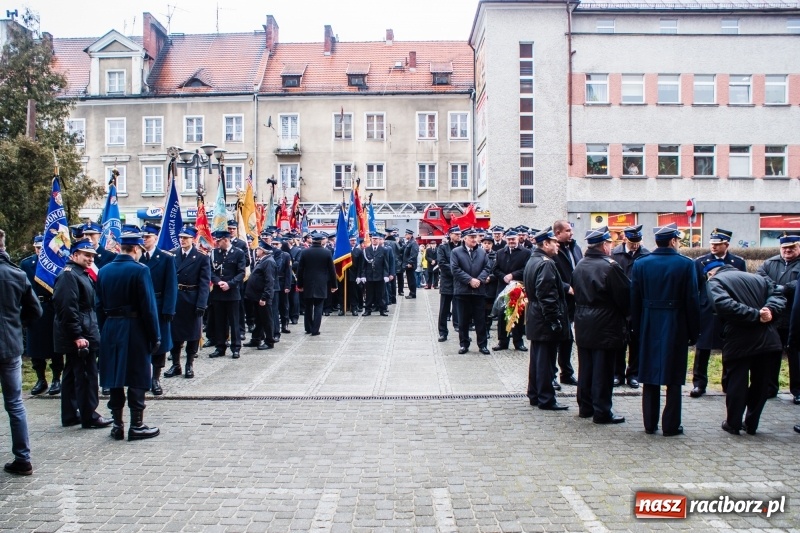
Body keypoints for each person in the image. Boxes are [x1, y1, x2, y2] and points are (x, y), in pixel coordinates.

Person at [630, 223, 700, 436]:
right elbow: (692, 300)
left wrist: (637, 328)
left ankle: (649, 424)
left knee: (650, 374)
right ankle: (671, 425)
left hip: (649, 322)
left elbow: (634, 299)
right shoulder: (686, 264)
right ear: (673, 241)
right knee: (674, 375)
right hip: (676, 322)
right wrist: (693, 331)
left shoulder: (641, 263)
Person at [705, 260, 785, 435]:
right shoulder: (758, 278)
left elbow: (722, 305)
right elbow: (779, 294)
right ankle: (752, 424)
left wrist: (754, 315)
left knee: (736, 382)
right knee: (761, 383)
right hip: (768, 340)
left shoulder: (715, 282)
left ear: (711, 273)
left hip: (738, 340)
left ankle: (733, 423)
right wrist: (769, 310)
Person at [95, 227, 161, 441]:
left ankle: (117, 425)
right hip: (135, 327)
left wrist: (105, 329)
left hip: (111, 327)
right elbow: (148, 307)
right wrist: (155, 336)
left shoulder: (103, 271)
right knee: (137, 375)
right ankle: (136, 425)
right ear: (134, 249)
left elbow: (99, 306)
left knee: (115, 376)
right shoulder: (140, 270)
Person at [571, 226, 630, 424]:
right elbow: (624, 297)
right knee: (603, 370)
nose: (611, 247)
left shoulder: (580, 264)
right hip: (605, 323)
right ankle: (602, 411)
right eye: (610, 243)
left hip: (583, 321)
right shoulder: (610, 266)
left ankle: (585, 406)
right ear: (604, 245)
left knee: (586, 367)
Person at [52, 238, 112, 429]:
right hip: (81, 334)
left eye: (92, 255)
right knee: (86, 376)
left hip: (82, 330)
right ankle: (89, 415)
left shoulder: (79, 274)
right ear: (74, 255)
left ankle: (70, 414)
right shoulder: (70, 275)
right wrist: (78, 335)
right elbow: (68, 309)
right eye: (86, 255)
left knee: (71, 373)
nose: (90, 258)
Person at [0, 228, 41, 475]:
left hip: (10, 344)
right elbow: (35, 311)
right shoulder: (16, 274)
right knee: (15, 403)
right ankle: (23, 457)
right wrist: (17, 323)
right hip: (11, 346)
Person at [690, 228, 746, 398]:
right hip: (706, 309)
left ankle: (727, 383)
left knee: (728, 348)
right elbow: (696, 287)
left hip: (727, 309)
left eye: (717, 244)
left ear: (726, 244)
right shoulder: (700, 262)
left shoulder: (737, 262)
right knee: (702, 348)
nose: (713, 247)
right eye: (712, 244)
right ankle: (699, 384)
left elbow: (740, 285)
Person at [524, 227, 571, 411]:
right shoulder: (546, 263)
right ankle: (546, 398)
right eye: (554, 242)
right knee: (546, 361)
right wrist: (554, 320)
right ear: (545, 244)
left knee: (537, 358)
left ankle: (535, 394)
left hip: (536, 316)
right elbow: (547, 295)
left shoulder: (534, 260)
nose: (557, 246)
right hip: (544, 318)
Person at [756, 233, 800, 403]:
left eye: (792, 248)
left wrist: (785, 288)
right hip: (773, 316)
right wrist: (776, 287)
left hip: (794, 317)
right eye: (784, 248)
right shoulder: (770, 263)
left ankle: (797, 390)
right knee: (771, 353)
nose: (787, 251)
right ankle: (770, 388)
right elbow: (760, 277)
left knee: (795, 355)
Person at [19, 235, 64, 396]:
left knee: (54, 346)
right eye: (37, 248)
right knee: (35, 347)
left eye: (42, 248)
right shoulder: (26, 264)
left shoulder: (56, 262)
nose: (39, 251)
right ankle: (41, 378)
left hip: (51, 307)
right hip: (34, 307)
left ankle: (57, 379)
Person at [164, 226, 211, 379]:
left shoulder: (201, 257)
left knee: (192, 335)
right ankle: (175, 364)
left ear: (193, 239)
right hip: (176, 299)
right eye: (181, 237)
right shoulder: (172, 255)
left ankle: (189, 364)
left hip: (192, 298)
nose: (182, 240)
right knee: (175, 335)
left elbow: (204, 283)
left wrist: (201, 304)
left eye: (186, 237)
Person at [610, 224, 650, 388]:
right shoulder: (615, 253)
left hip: (638, 304)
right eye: (632, 241)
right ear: (625, 238)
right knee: (619, 341)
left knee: (636, 341)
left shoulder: (646, 255)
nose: (635, 244)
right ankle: (617, 374)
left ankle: (633, 373)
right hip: (619, 304)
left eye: (638, 241)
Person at [139, 223, 177, 395]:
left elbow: (171, 285)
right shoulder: (138, 257)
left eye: (148, 237)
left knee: (159, 343)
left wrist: (169, 309)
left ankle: (155, 377)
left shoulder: (166, 258)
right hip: (140, 306)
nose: (145, 240)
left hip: (159, 304)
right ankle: (144, 376)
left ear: (155, 238)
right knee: (143, 341)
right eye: (143, 237)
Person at [451, 228, 492, 354]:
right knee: (463, 321)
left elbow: (487, 267)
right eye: (471, 237)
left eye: (476, 237)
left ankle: (482, 345)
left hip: (479, 291)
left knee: (480, 320)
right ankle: (464, 344)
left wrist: (479, 280)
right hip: (463, 291)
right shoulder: (456, 252)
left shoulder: (482, 252)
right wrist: (470, 280)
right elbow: (455, 269)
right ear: (465, 238)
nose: (475, 239)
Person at [551, 219, 582, 388]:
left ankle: (567, 373)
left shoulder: (575, 247)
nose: (571, 233)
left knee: (568, 339)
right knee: (557, 338)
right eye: (568, 230)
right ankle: (552, 375)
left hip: (574, 301)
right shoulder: (554, 250)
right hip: (560, 298)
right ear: (558, 233)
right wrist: (566, 287)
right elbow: (551, 275)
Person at [209, 229, 247, 359]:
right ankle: (220, 346)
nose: (217, 243)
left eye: (219, 241)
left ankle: (236, 347)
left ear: (226, 240)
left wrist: (229, 284)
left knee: (234, 321)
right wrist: (218, 282)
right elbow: (210, 271)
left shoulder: (238, 253)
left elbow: (241, 272)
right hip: (218, 292)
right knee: (219, 321)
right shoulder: (214, 253)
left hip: (232, 293)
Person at [492, 229, 531, 351]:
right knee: (502, 315)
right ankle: (502, 342)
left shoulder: (526, 252)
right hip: (503, 288)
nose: (511, 242)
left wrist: (512, 275)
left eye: (513, 239)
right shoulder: (499, 253)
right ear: (505, 239)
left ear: (517, 239)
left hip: (518, 288)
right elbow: (495, 269)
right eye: (509, 240)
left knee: (517, 315)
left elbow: (527, 268)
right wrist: (503, 276)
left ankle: (518, 342)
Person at [297, 232, 338, 335]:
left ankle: (308, 328)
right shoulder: (327, 252)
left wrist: (299, 285)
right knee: (319, 307)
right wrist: (334, 285)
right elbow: (332, 271)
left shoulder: (305, 252)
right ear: (321, 241)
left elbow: (300, 270)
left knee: (308, 307)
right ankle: (315, 330)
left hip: (308, 283)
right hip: (321, 283)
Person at [244, 241, 276, 349]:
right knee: (258, 319)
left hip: (262, 297)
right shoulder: (263, 260)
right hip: (256, 296)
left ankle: (269, 341)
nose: (256, 251)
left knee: (267, 320)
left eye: (257, 249)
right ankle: (256, 339)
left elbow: (269, 281)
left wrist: (265, 297)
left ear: (262, 251)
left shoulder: (268, 262)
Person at [436, 226, 461, 342]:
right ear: (450, 235)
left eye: (460, 234)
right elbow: (442, 264)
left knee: (460, 309)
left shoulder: (463, 247)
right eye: (456, 234)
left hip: (460, 283)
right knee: (444, 309)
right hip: (447, 282)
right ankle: (442, 332)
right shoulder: (443, 248)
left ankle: (461, 331)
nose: (458, 236)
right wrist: (457, 272)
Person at [360, 233, 390, 316]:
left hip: (380, 276)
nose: (375, 240)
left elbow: (386, 264)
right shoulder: (366, 250)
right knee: (369, 294)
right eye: (373, 239)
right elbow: (363, 264)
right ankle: (368, 310)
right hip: (369, 276)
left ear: (379, 240)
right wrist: (363, 275)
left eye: (376, 239)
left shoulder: (384, 250)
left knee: (381, 294)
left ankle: (382, 309)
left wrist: (386, 275)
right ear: (371, 240)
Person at [403, 229, 420, 299]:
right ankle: (411, 292)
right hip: (408, 264)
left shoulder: (413, 243)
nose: (405, 235)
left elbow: (414, 254)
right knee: (409, 279)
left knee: (411, 279)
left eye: (406, 234)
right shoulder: (409, 243)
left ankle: (413, 293)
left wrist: (410, 263)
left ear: (410, 235)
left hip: (411, 265)